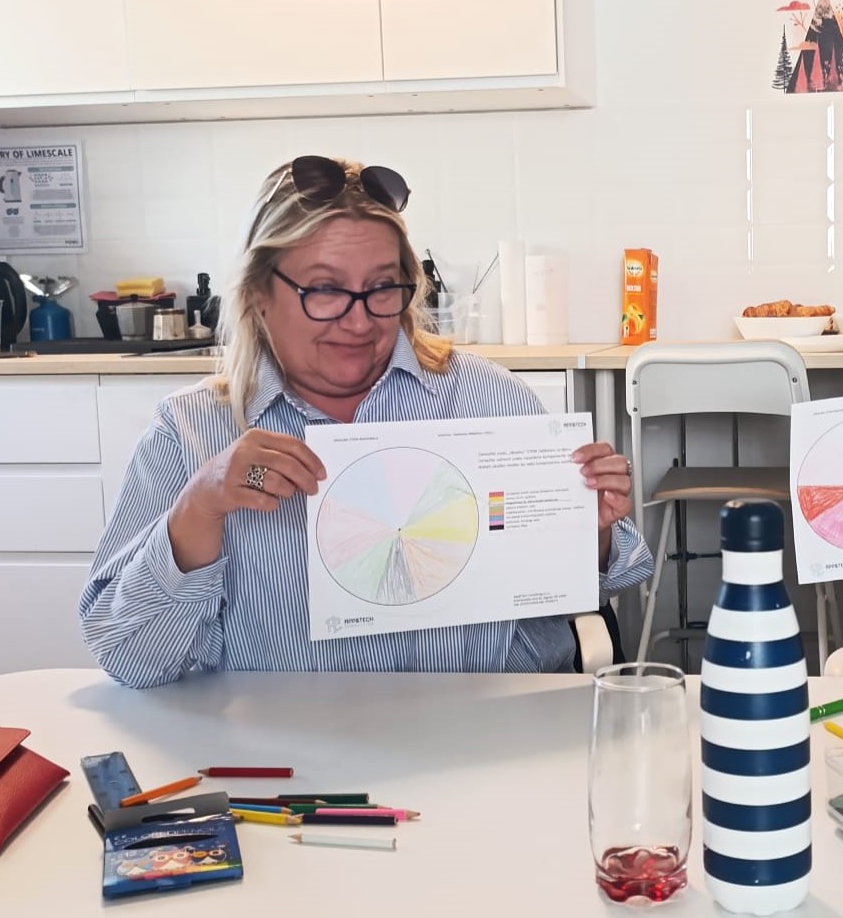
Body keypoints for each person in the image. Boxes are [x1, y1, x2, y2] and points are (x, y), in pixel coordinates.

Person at [81, 155, 651, 688]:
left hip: (487, 728)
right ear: (258, 294)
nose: (359, 322)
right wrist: (199, 507)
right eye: (326, 290)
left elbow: (585, 583)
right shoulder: (191, 432)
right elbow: (130, 658)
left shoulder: (486, 400)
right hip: (280, 743)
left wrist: (589, 526)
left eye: (381, 288)